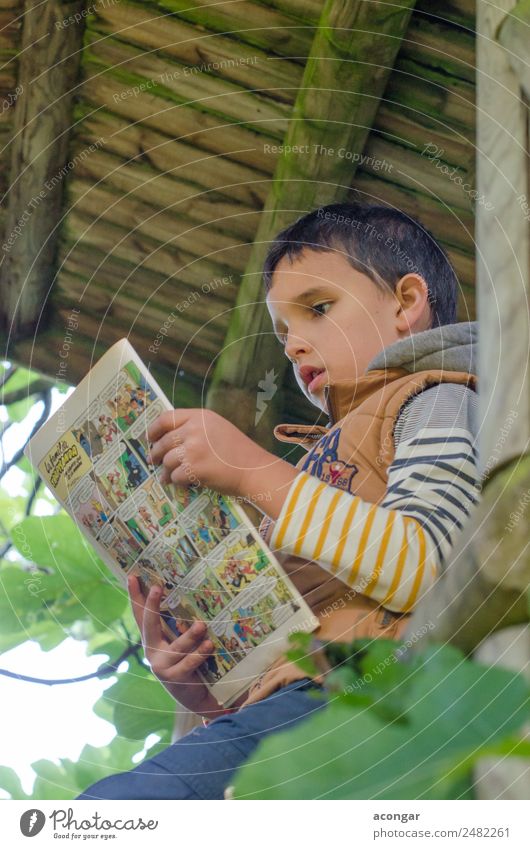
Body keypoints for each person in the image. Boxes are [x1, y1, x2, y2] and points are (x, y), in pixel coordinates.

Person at [77, 202, 481, 800]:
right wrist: (203, 683)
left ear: (405, 302)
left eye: (318, 309)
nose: (293, 347)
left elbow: (432, 568)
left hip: (371, 704)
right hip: (297, 717)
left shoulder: (438, 400)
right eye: (283, 333)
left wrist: (249, 469)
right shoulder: (320, 461)